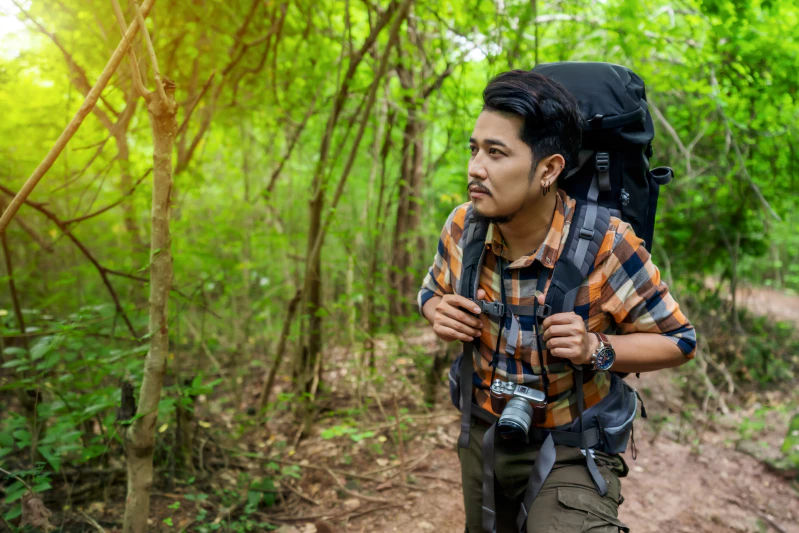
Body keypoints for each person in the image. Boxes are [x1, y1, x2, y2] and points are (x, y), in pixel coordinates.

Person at [417, 70, 697, 533]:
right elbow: (430, 293)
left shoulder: (606, 244)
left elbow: (680, 341)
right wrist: (437, 311)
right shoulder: (464, 227)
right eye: (474, 149)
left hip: (573, 442)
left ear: (548, 169)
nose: (475, 168)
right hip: (485, 434)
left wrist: (596, 348)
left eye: (496, 153)